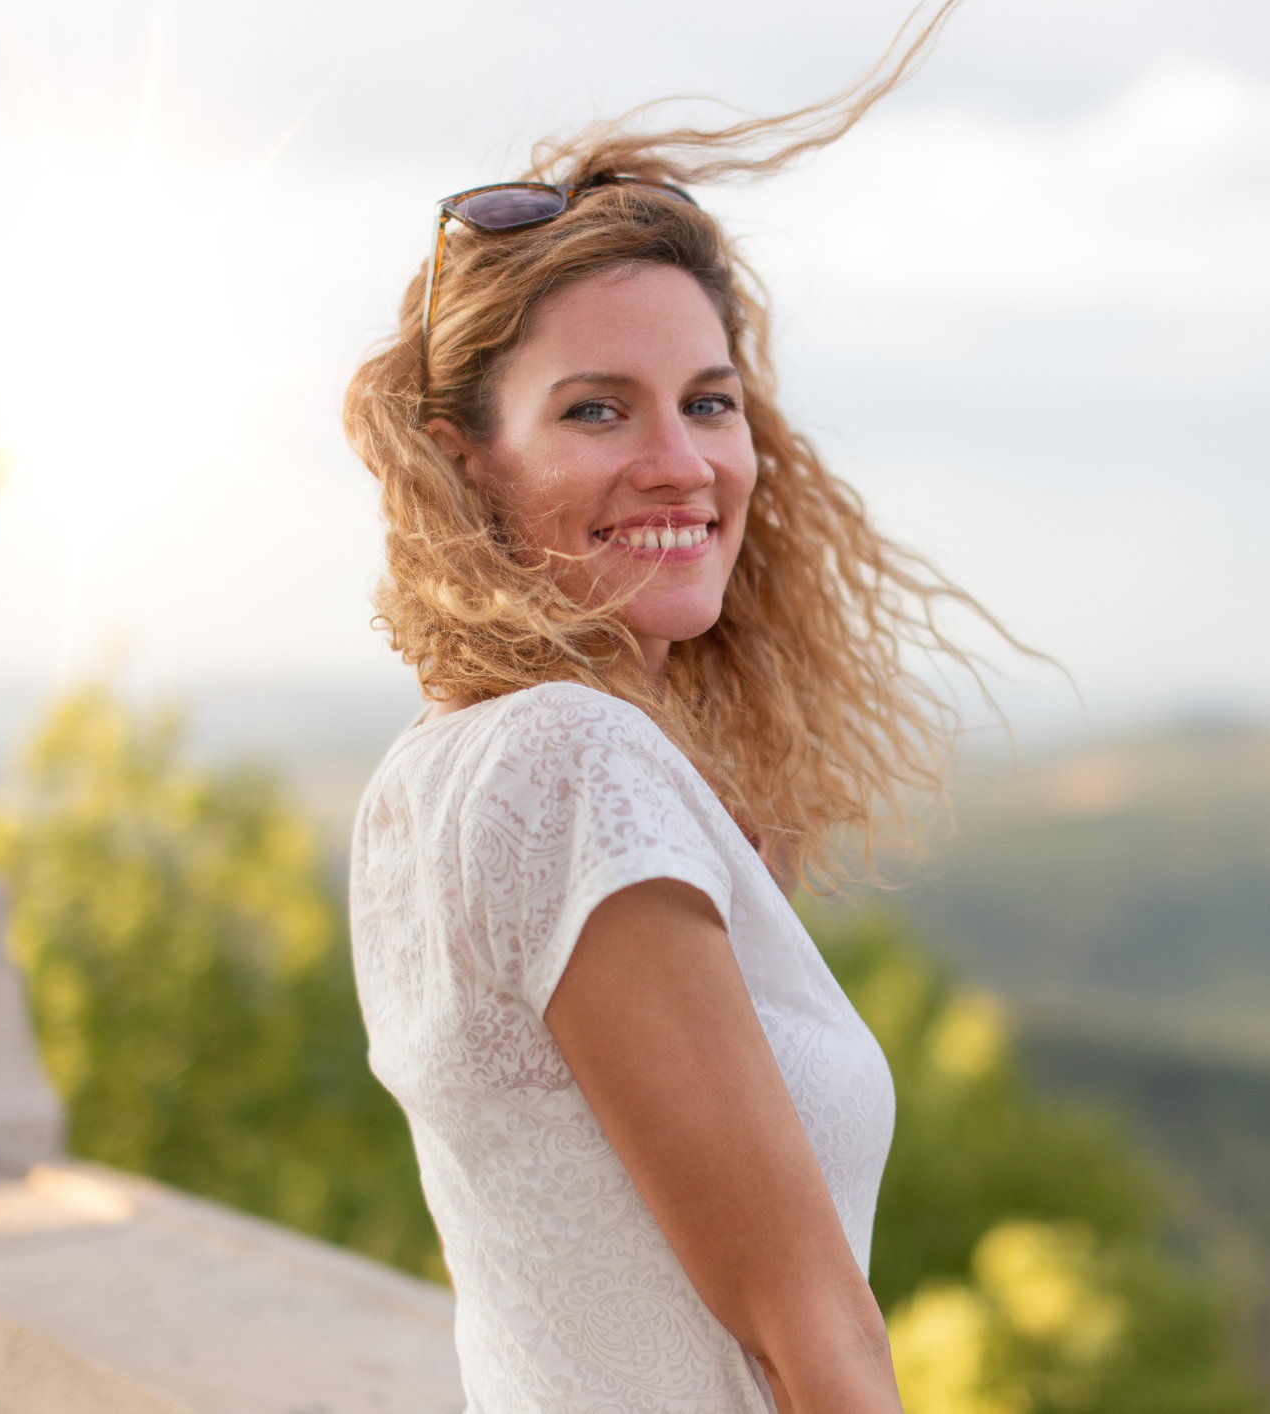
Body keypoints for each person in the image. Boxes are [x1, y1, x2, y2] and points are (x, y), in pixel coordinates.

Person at [343, 5, 1008, 1409]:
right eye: (595, 410)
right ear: (466, 465)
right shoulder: (571, 764)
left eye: (708, 403)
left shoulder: (439, 768)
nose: (680, 462)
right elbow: (809, 1331)